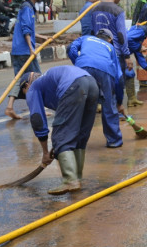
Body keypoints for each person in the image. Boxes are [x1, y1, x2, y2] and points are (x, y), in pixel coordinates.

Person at [17, 66, 99, 195]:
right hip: (92, 83)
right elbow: (70, 125)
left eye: (24, 92)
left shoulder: (33, 87)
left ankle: (70, 180)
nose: (26, 96)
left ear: (27, 84)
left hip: (75, 84)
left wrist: (45, 152)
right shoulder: (49, 81)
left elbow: (37, 119)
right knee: (78, 136)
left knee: (60, 137)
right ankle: (77, 178)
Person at [68, 28, 125, 148]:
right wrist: (119, 101)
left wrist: (78, 62)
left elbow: (71, 48)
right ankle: (114, 140)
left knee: (80, 104)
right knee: (108, 105)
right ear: (110, 39)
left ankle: (75, 142)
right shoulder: (111, 48)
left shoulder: (85, 38)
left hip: (82, 68)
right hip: (105, 70)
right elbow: (119, 77)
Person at [91, 0, 138, 107]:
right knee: (117, 82)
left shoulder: (95, 9)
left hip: (98, 51)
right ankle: (117, 108)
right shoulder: (118, 11)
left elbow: (92, 31)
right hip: (115, 52)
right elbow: (121, 35)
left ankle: (102, 106)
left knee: (101, 80)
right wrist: (127, 56)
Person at [5, 0, 43, 119]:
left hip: (18, 50)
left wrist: (42, 37)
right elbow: (26, 31)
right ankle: (39, 109)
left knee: (20, 79)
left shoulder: (25, 7)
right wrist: (31, 49)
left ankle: (10, 107)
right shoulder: (27, 8)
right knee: (38, 78)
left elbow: (27, 31)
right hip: (24, 51)